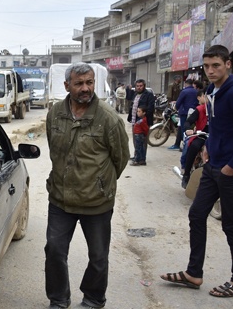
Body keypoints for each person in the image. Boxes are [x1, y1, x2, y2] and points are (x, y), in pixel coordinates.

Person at [160, 45, 233, 299]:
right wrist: (207, 146)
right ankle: (194, 273)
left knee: (231, 226)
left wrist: (232, 165)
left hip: (231, 171)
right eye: (207, 66)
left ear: (228, 64)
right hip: (212, 166)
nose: (211, 70)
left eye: (216, 65)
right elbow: (217, 125)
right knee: (196, 215)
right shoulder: (212, 90)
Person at [45, 62, 130, 309]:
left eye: (89, 82)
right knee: (55, 251)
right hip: (60, 200)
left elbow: (120, 158)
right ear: (67, 85)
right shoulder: (55, 113)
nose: (85, 88)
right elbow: (55, 150)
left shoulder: (108, 118)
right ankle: (59, 299)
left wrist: (101, 184)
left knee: (98, 257)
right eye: (79, 83)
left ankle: (93, 298)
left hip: (96, 202)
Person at [180, 89, 208, 189]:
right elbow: (188, 122)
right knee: (193, 146)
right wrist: (188, 129)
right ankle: (186, 174)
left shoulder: (221, 110)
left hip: (215, 137)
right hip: (202, 135)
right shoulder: (199, 110)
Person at [127, 79, 155, 160]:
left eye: (141, 86)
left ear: (144, 86)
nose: (139, 87)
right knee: (136, 140)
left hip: (143, 123)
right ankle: (137, 156)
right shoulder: (135, 94)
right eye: (137, 86)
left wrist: (143, 120)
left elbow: (150, 109)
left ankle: (141, 159)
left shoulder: (149, 95)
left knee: (142, 141)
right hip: (134, 121)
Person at [170, 79, 198, 151]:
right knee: (190, 129)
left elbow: (179, 102)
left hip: (184, 112)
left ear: (185, 84)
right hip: (194, 113)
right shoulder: (196, 91)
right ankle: (184, 144)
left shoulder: (184, 91)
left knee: (184, 129)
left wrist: (176, 108)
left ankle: (185, 145)